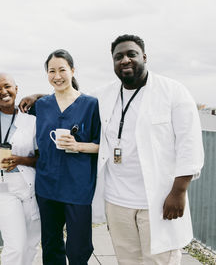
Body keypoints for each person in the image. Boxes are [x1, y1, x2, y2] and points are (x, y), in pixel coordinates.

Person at [90, 34, 204, 264]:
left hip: (159, 199)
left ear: (144, 56)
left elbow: (189, 144)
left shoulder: (173, 91)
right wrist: (38, 98)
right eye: (118, 57)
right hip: (117, 200)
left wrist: (179, 191)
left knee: (160, 260)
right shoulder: (105, 94)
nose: (125, 60)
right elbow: (74, 100)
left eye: (131, 54)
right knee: (127, 260)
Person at [34, 49, 101, 265]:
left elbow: (103, 146)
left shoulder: (91, 105)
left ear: (72, 70)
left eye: (62, 69)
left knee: (78, 247)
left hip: (77, 187)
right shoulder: (41, 105)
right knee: (51, 244)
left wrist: (78, 145)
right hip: (47, 186)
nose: (57, 76)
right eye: (51, 71)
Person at [0, 73, 40, 265]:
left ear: (16, 89)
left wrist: (21, 160)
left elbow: (42, 158)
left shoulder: (31, 121)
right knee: (15, 245)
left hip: (29, 185)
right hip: (1, 187)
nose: (3, 92)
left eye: (7, 86)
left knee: (31, 243)